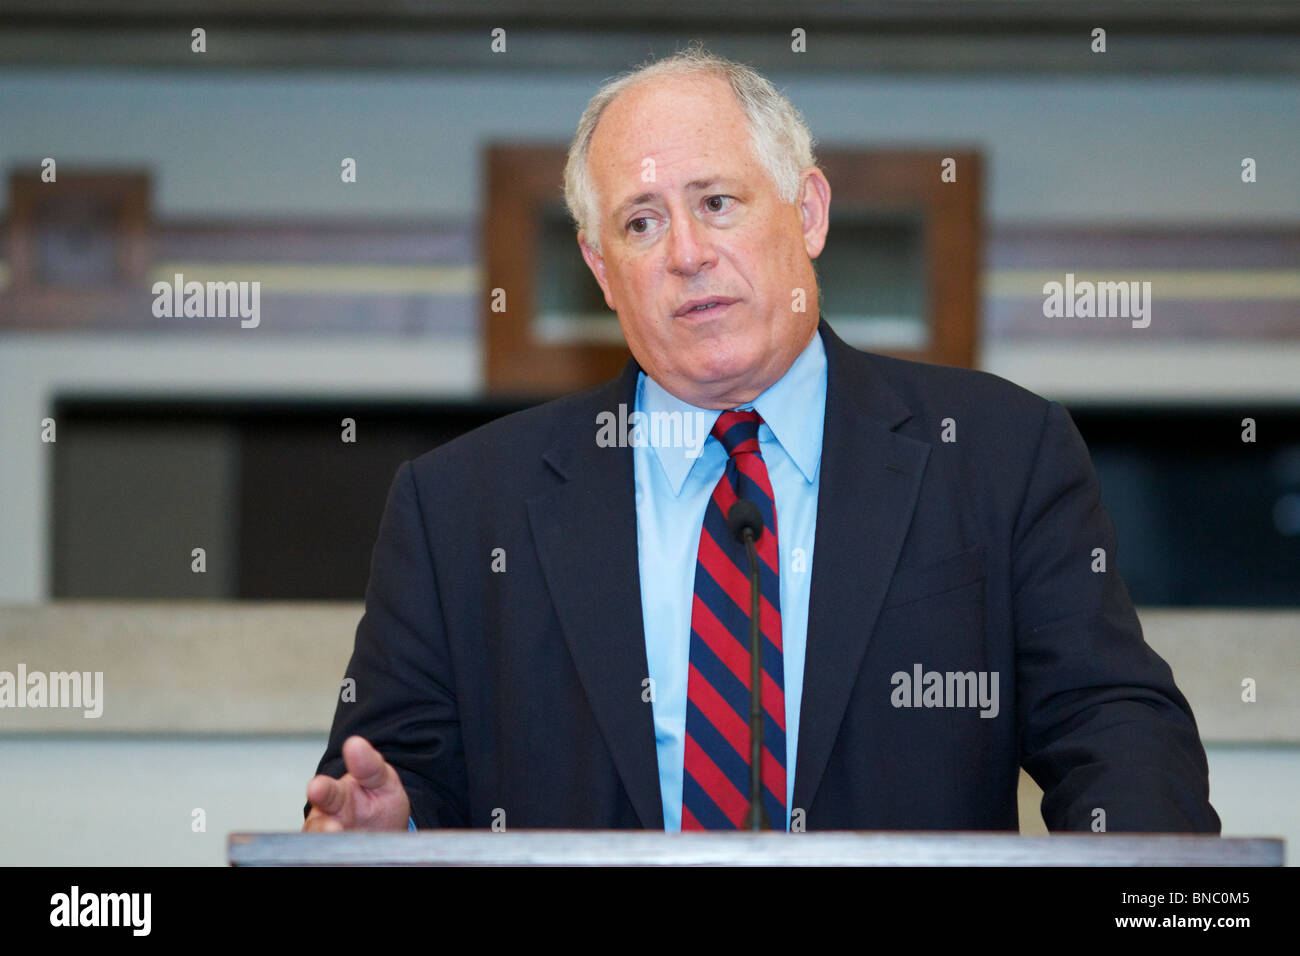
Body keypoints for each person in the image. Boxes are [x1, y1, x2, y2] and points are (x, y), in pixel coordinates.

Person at [303, 47, 1219, 834]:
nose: (687, 253)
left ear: (808, 212)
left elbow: (1113, 726)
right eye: (641, 222)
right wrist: (390, 829)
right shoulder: (460, 504)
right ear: (601, 270)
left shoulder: (998, 453)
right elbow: (393, 775)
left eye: (718, 201)